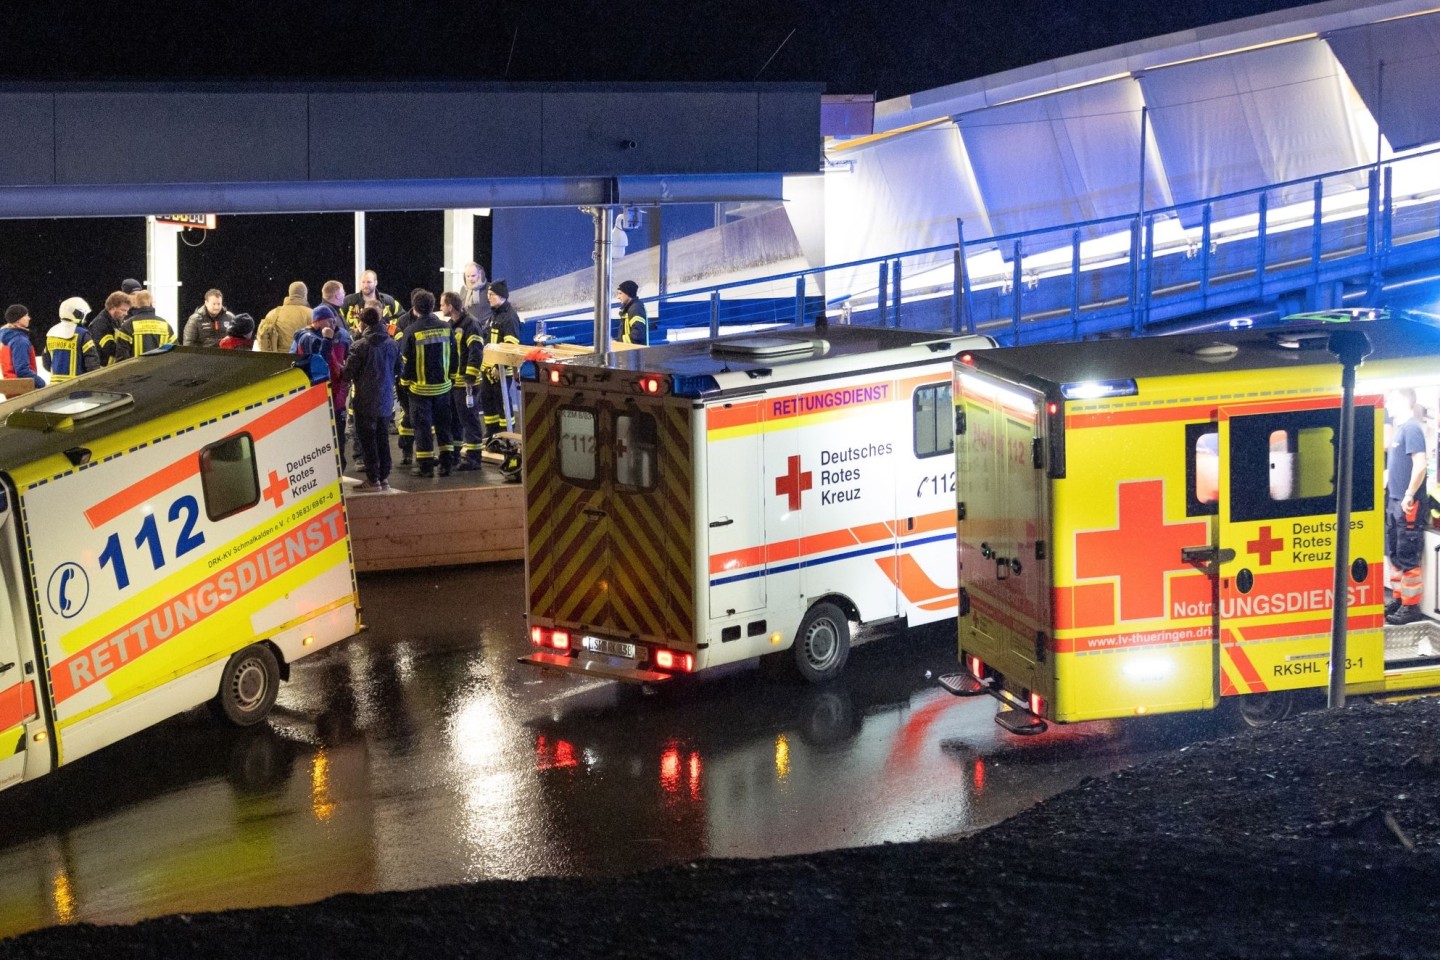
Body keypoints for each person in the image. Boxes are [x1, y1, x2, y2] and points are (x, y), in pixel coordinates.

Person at [398, 290, 455, 478]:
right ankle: (446, 464)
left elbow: (405, 361)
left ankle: (426, 467)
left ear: (414, 308)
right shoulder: (447, 328)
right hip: (444, 388)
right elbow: (454, 356)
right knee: (444, 426)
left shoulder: (410, 331)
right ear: (432, 307)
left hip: (419, 390)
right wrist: (451, 378)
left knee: (422, 428)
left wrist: (405, 384)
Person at [343, 306, 401, 491]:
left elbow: (347, 374)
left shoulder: (359, 346)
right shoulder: (393, 344)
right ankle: (384, 478)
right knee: (382, 438)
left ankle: (372, 479)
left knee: (368, 441)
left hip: (364, 401)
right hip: (385, 401)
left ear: (362, 323)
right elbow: (400, 369)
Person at [1386, 388, 1427, 626]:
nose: (1388, 405)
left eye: (1391, 399)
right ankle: (1400, 599)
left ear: (1404, 401)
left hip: (1407, 502)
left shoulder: (1411, 428)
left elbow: (1419, 465)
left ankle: (1411, 607)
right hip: (1395, 500)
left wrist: (1409, 494)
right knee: (1395, 553)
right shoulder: (1400, 430)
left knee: (1407, 554)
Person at [441, 291, 485, 470]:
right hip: (454, 382)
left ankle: (474, 458)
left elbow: (476, 351)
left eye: (442, 304)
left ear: (450, 307)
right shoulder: (451, 325)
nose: (441, 308)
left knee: (469, 419)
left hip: (467, 384)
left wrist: (470, 377)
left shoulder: (471, 324)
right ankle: (456, 455)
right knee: (455, 421)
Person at [480, 280, 522, 438]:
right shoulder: (494, 314)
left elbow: (509, 347)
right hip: (488, 369)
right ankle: (492, 433)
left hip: (501, 370)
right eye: (488, 294)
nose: (488, 297)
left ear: (502, 296)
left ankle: (506, 436)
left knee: (502, 403)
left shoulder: (509, 318)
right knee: (487, 401)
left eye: (492, 295)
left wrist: (499, 367)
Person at [44, 296, 100, 382]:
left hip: (55, 387)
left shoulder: (51, 334)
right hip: (78, 388)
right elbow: (92, 363)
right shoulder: (83, 334)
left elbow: (46, 364)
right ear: (78, 314)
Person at [114, 290, 174, 361]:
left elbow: (121, 357)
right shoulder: (165, 325)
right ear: (151, 303)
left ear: (136, 304)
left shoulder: (128, 325)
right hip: (160, 370)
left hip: (137, 371)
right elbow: (174, 352)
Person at [256, 281, 312, 352]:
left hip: (277, 360)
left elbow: (263, 340)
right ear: (305, 295)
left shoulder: (273, 314)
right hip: (301, 360)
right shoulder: (312, 314)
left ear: (289, 293)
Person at [342, 269, 400, 334]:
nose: (365, 285)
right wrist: (352, 332)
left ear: (376, 282)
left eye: (369, 282)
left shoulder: (388, 301)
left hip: (383, 339)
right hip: (355, 340)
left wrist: (391, 329)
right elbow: (339, 321)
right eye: (363, 282)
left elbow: (402, 317)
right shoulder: (349, 301)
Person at [0, 305, 45, 388]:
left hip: (11, 387)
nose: (29, 318)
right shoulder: (19, 340)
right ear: (18, 320)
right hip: (23, 388)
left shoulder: (6, 338)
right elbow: (22, 371)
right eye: (26, 315)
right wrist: (42, 384)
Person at [90, 291, 132, 366]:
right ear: (113, 308)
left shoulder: (115, 321)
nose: (126, 314)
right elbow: (108, 348)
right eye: (123, 310)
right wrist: (129, 351)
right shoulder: (100, 324)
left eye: (127, 311)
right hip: (103, 370)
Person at [616, 279, 649, 346]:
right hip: (631, 351)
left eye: (620, 293)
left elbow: (638, 333)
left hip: (635, 352)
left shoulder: (636, 308)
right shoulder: (631, 308)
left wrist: (620, 342)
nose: (618, 297)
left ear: (628, 294)